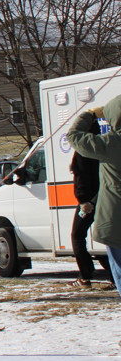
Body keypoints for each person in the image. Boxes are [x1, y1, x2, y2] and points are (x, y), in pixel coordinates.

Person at [66, 98, 121, 299]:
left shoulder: (111, 144)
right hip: (102, 206)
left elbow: (73, 136)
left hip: (114, 217)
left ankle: (86, 275)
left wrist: (89, 114)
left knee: (79, 236)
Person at [67, 114, 100, 289]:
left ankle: (85, 276)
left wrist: (82, 200)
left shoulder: (83, 149)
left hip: (88, 201)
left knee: (77, 236)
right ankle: (112, 275)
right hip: (105, 197)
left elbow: (82, 177)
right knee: (107, 237)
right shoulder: (102, 145)